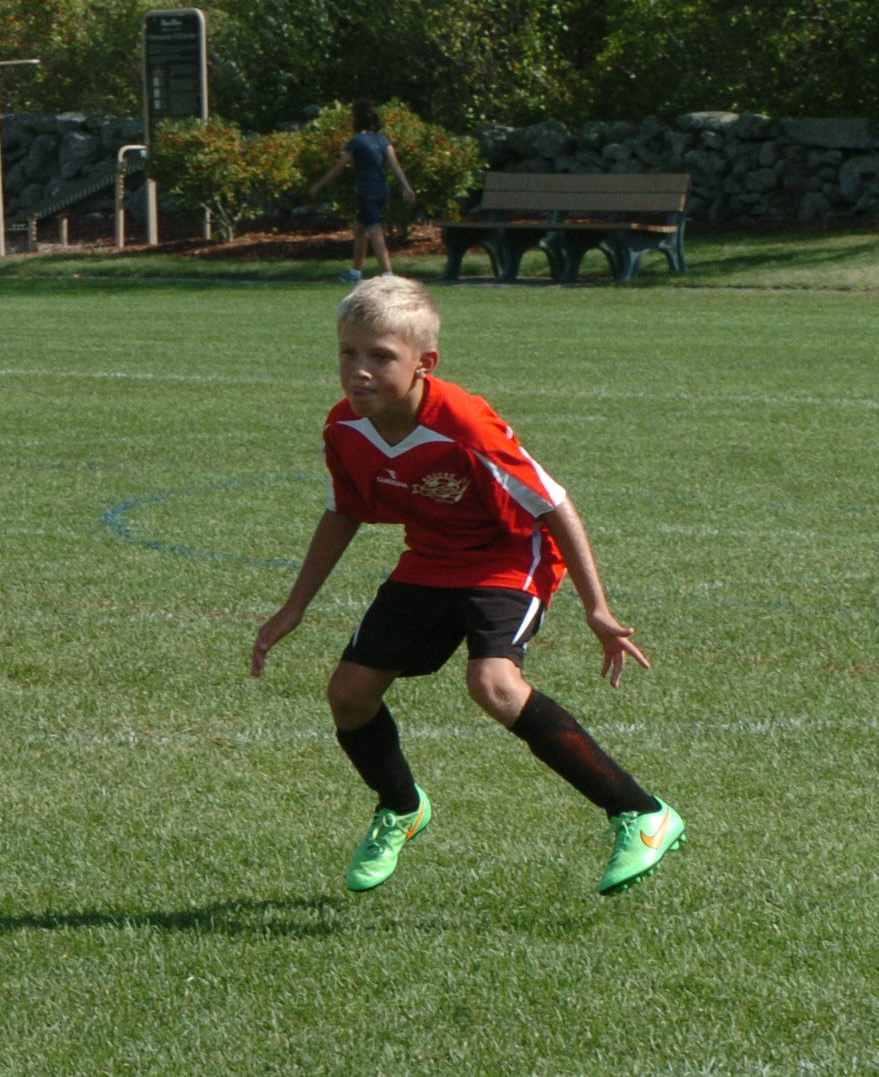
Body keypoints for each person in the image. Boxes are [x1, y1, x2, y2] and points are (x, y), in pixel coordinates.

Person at [250, 277, 684, 895]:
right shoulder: (346, 426)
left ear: (424, 363)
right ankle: (402, 807)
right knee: (348, 695)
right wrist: (294, 606)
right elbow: (343, 510)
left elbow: (554, 505)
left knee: (493, 684)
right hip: (430, 559)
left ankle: (641, 813)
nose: (359, 370)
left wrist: (597, 609)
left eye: (381, 356)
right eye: (348, 352)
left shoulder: (464, 424)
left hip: (509, 556)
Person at [308, 101, 416, 282]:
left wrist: (318, 185)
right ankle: (355, 272)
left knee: (375, 230)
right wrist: (406, 186)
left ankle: (387, 274)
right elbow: (395, 164)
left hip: (367, 192)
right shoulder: (383, 141)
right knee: (359, 228)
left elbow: (339, 166)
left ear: (357, 119)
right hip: (382, 191)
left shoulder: (356, 142)